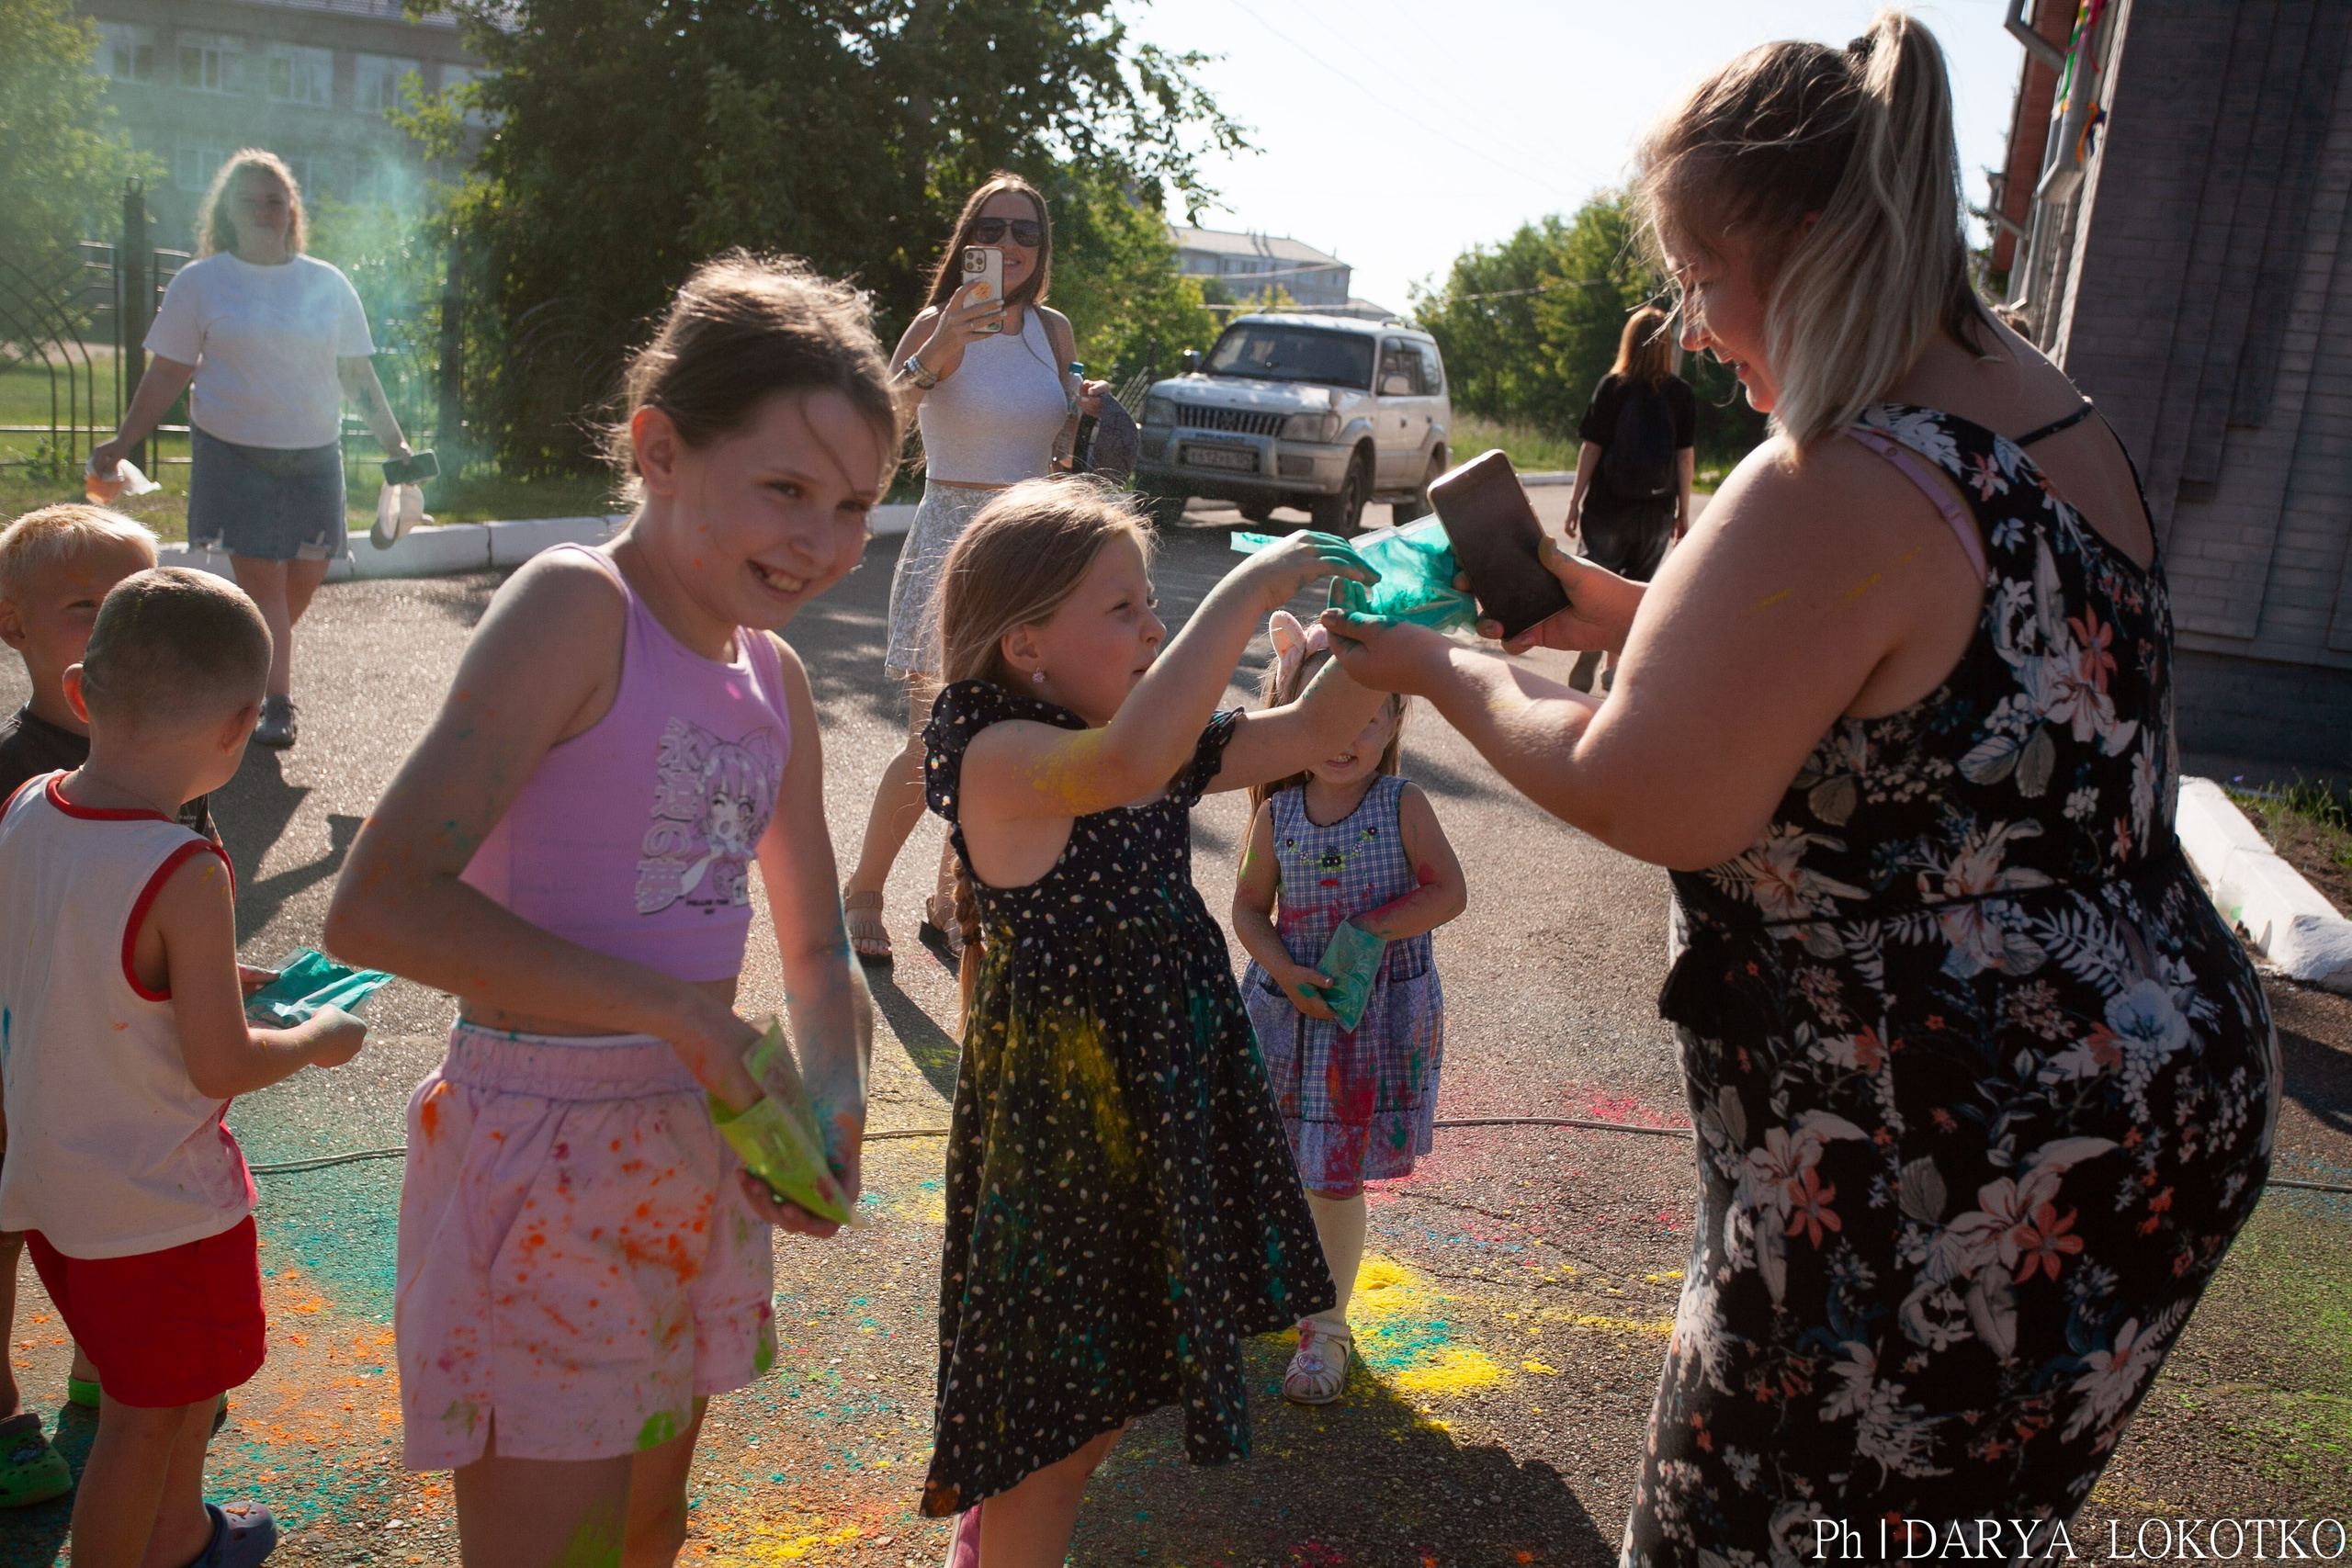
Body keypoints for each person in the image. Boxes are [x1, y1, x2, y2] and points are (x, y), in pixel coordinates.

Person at [1318, 12, 2277, 1562]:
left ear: (1820, 243)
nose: (1692, 327)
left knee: (1758, 1520)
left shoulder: (1838, 471)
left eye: (1704, 275)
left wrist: (1439, 671)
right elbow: (1946, 697)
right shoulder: (2043, 416)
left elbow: (1652, 790)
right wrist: (1623, 609)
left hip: (1936, 1163)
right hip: (2141, 1107)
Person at [321, 254, 885, 1568]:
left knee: (648, 1525)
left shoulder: (779, 677)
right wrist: (676, 1016)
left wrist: (835, 1106)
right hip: (543, 1148)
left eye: (856, 505)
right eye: (788, 490)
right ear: (660, 449)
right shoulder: (581, 608)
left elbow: (811, 942)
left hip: (694, 1151)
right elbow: (379, 904)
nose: (824, 540)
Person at [918, 483, 1385, 1565]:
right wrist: (1247, 589)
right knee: (1058, 1434)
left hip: (1149, 1113)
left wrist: (1395, 632)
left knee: (1107, 1399)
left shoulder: (1137, 739)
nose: (1154, 627)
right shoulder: (999, 753)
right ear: (1024, 642)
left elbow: (1317, 728)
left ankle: (994, 1541)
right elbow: (1127, 767)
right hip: (1067, 1140)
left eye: (1150, 607)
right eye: (1123, 608)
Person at [0, 566, 368, 1568]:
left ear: (80, 691)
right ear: (241, 723)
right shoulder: (185, 867)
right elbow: (220, 1064)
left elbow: (62, 953)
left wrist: (210, 971)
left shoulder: (30, 804)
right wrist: (316, 1042)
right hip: (156, 1202)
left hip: (51, 1186)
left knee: (154, 1396)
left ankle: (181, 1536)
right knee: (144, 1422)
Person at [0, 504, 230, 1503]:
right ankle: (4, 1416)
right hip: (18, 1055)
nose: (109, 632)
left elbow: (178, 907)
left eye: (129, 608)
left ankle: (116, 1373)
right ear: (10, 624)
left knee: (123, 1193)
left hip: (123, 1058)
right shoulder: (16, 775)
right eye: (81, 609)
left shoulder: (176, 756)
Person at [842, 173, 1108, 967]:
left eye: (1026, 231)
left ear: (1042, 246)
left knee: (1005, 734)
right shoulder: (936, 321)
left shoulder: (1052, 330)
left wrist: (1083, 406)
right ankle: (861, 891)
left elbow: (1057, 443)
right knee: (933, 739)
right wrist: (940, 354)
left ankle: (950, 899)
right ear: (968, 239)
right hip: (950, 541)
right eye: (992, 229)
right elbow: (877, 428)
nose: (1009, 246)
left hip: (1031, 547)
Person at [91, 149, 412, 750]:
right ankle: (277, 702)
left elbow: (358, 376)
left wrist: (395, 441)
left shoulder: (327, 283)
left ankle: (245, 665)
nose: (265, 210)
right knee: (264, 582)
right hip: (233, 453)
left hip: (313, 454)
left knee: (304, 580)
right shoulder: (201, 282)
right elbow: (168, 372)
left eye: (275, 199)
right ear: (227, 212)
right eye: (251, 201)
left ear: (291, 209)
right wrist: (123, 440)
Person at [1231, 611, 1465, 1406]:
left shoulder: (1402, 803)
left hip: (1364, 1029)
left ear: (1396, 717)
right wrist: (1285, 968)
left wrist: (1372, 925)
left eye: (1369, 717)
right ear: (1289, 712)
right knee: (1274, 1165)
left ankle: (1325, 1328)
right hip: (1286, 1016)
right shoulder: (1278, 814)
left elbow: (1448, 890)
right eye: (1327, 716)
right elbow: (1250, 909)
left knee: (1332, 1180)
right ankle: (1266, 1284)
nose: (1347, 737)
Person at [1565, 306, 1696, 692]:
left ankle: (1588, 656)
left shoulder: (1612, 387)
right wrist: (1683, 513)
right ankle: (1613, 669)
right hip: (1655, 513)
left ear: (1629, 342)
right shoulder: (1680, 394)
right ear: (1666, 348)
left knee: (1595, 586)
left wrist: (1574, 502)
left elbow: (1591, 449)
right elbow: (1684, 458)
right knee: (1634, 593)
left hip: (1608, 507)